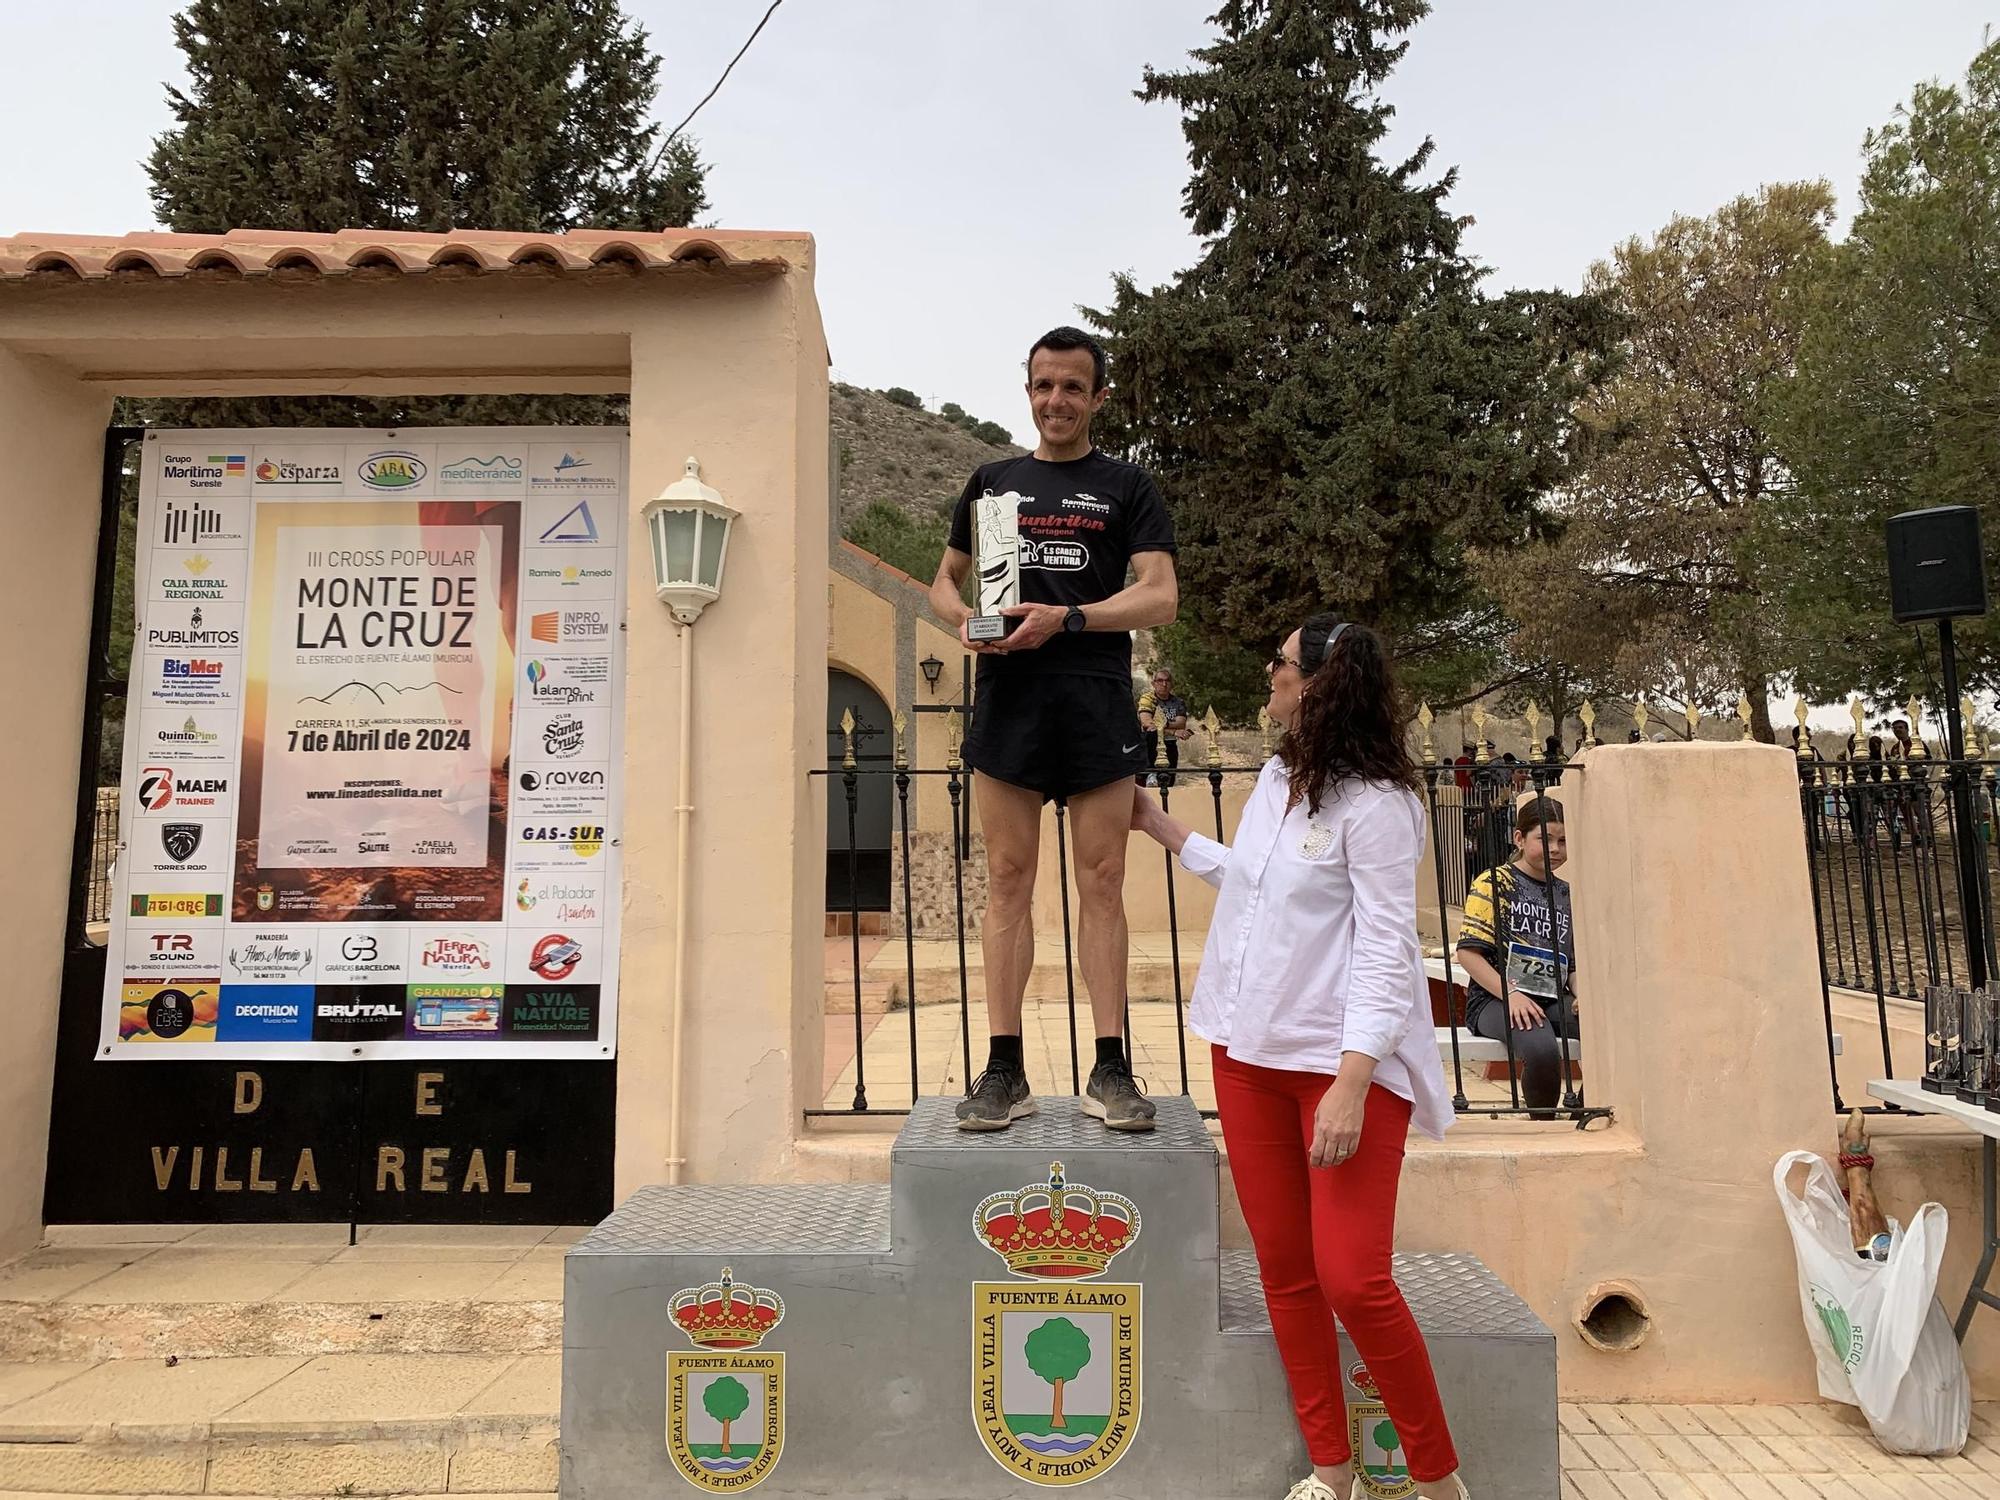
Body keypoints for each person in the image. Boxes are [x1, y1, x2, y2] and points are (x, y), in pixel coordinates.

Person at [1130, 616, 1467, 1500]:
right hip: (1247, 1058)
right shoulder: (1280, 778)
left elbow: (1388, 949)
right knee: (1285, 1274)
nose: (1268, 678)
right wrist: (1160, 826)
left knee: (1353, 1281)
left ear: (1318, 684)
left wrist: (1353, 1083)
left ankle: (1436, 1481)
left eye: (1279, 665)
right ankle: (1332, 1470)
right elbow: (1250, 881)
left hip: (1340, 1072)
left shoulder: (1383, 806)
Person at [928, 326, 1178, 1132]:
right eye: (1044, 386)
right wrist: (967, 621)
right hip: (1008, 701)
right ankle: (1003, 1070)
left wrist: (1067, 618)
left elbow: (1159, 596)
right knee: (1007, 880)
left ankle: (1110, 1069)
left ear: (1098, 397)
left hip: (1096, 699)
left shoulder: (1127, 486)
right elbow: (944, 583)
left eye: (1074, 387)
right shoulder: (993, 483)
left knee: (1101, 881)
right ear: (1027, 390)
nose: (1057, 401)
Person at [1455, 797, 1578, 1121]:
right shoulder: (1495, 883)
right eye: (1545, 838)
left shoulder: (1565, 893)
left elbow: (1571, 961)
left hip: (1551, 996)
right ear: (1520, 839)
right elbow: (1468, 953)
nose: (1555, 848)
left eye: (1563, 841)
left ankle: (1585, 1105)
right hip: (1495, 1000)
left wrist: (1582, 996)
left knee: (1610, 1026)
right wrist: (1512, 995)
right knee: (1541, 1048)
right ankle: (1543, 1121)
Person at [1136, 667, 1191, 786]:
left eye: (1167, 681)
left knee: (1168, 783)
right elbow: (1147, 723)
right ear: (1153, 683)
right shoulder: (1148, 699)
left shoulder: (1178, 702)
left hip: (1169, 746)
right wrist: (1174, 731)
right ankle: (1151, 774)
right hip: (1150, 747)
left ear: (1172, 684)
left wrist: (1163, 725)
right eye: (1160, 681)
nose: (1164, 684)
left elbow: (1181, 723)